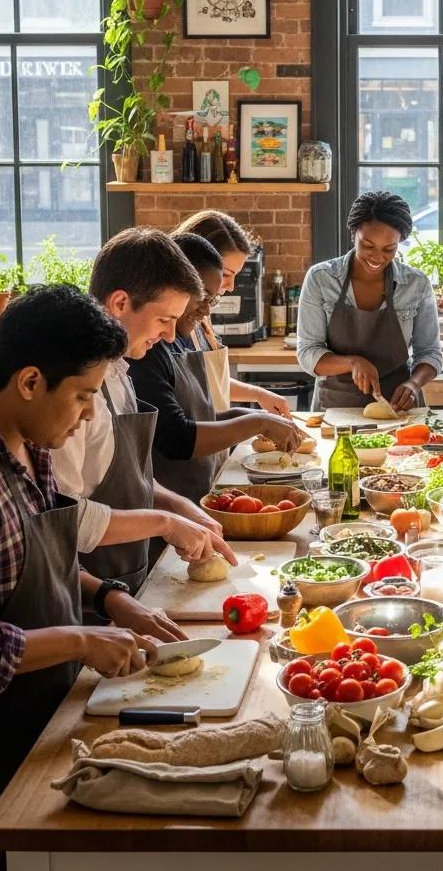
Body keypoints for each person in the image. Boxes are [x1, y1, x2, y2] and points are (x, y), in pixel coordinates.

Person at [0, 287, 173, 871]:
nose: (89, 415)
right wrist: (79, 640)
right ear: (29, 382)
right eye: (82, 396)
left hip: (45, 711)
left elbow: (40, 555)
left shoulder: (30, 442)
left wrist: (110, 598)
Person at [53, 229, 237, 601]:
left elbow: (128, 479)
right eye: (163, 320)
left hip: (131, 580)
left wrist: (179, 506)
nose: (171, 336)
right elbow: (62, 517)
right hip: (86, 599)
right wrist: (165, 522)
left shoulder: (121, 372)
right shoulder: (70, 393)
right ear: (120, 303)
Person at [127, 233, 306, 505]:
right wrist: (257, 421)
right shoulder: (145, 350)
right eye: (204, 298)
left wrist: (255, 417)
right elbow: (176, 437)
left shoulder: (171, 340)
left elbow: (200, 413)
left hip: (195, 497)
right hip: (169, 506)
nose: (207, 311)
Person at [297, 191, 442, 410]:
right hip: (336, 408)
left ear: (400, 242)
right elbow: (308, 352)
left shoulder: (416, 285)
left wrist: (414, 384)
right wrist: (352, 362)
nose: (377, 257)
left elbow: (429, 353)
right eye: (368, 245)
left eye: (389, 249)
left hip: (399, 408)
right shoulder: (321, 279)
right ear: (353, 234)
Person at [172, 210, 292, 416]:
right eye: (226, 275)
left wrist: (258, 394)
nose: (231, 286)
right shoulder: (171, 323)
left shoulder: (201, 314)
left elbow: (210, 381)